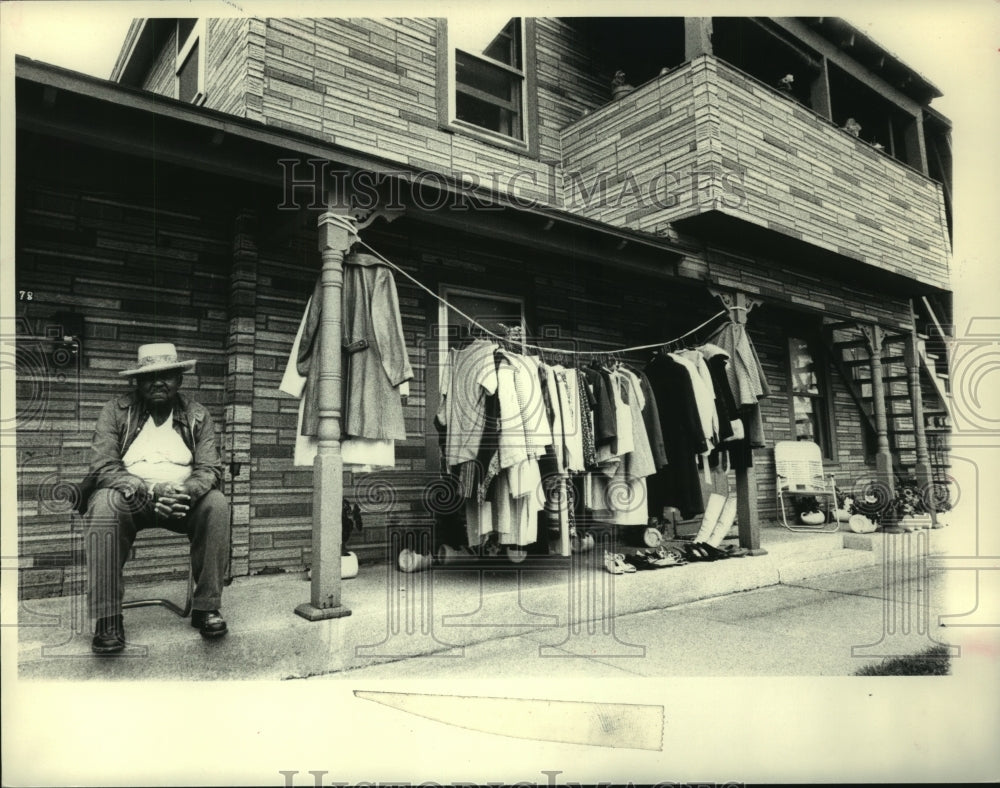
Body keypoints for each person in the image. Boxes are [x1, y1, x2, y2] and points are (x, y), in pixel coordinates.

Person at [79, 343, 230, 654]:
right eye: (149, 377)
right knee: (104, 505)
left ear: (179, 380)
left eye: (167, 375)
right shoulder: (115, 411)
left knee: (217, 504)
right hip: (130, 498)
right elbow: (102, 465)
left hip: (183, 499)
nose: (158, 382)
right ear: (137, 381)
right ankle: (108, 617)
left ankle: (206, 607)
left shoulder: (198, 415)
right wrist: (147, 490)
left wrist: (184, 492)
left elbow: (209, 468)